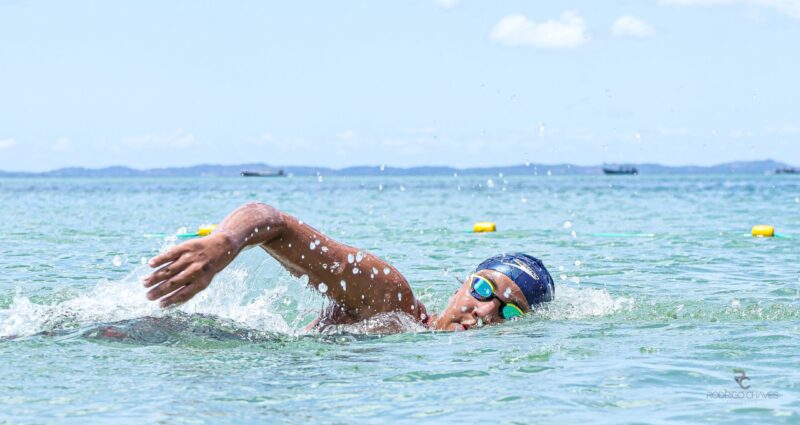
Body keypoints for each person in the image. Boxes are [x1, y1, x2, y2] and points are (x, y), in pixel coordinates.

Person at [142, 202, 555, 332]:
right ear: (462, 284)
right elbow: (275, 223)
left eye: (510, 310)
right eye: (484, 290)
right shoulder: (392, 302)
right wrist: (224, 242)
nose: (486, 310)